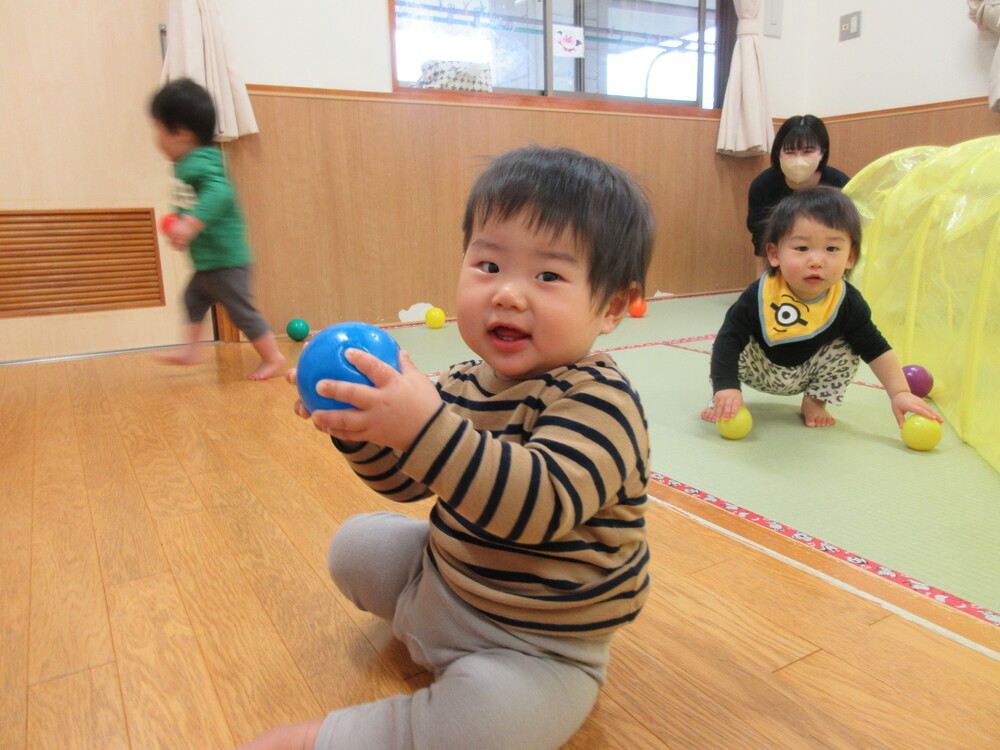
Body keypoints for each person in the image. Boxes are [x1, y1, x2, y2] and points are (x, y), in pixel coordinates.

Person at [240, 146, 655, 750]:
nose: (509, 294)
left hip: (540, 645)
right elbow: (408, 483)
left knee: (486, 724)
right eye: (488, 265)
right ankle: (427, 623)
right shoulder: (464, 380)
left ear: (613, 305)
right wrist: (365, 432)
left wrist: (420, 425)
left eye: (547, 276)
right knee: (355, 545)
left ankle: (350, 735)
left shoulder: (601, 401)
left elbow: (535, 506)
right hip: (447, 582)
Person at [702, 186, 942, 429]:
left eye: (832, 249)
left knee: (851, 345)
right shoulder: (759, 295)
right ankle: (724, 402)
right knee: (725, 339)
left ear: (850, 257)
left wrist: (899, 392)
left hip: (806, 373)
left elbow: (877, 349)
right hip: (757, 368)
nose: (816, 261)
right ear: (774, 254)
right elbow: (729, 341)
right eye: (802, 248)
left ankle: (815, 402)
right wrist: (726, 387)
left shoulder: (847, 302)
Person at [149, 78, 285, 380]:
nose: (156, 139)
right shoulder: (186, 164)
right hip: (209, 262)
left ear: (182, 132)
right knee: (192, 299)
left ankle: (273, 357)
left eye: (159, 129)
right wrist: (184, 232)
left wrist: (191, 224)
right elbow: (193, 206)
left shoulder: (201, 162)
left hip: (227, 261)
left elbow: (220, 193)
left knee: (241, 314)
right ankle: (189, 350)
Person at [747, 114, 850, 258]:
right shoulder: (763, 185)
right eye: (790, 152)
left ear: (822, 152)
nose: (798, 159)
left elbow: (848, 234)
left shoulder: (840, 184)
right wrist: (764, 278)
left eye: (808, 151)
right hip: (780, 259)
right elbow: (761, 237)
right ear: (778, 153)